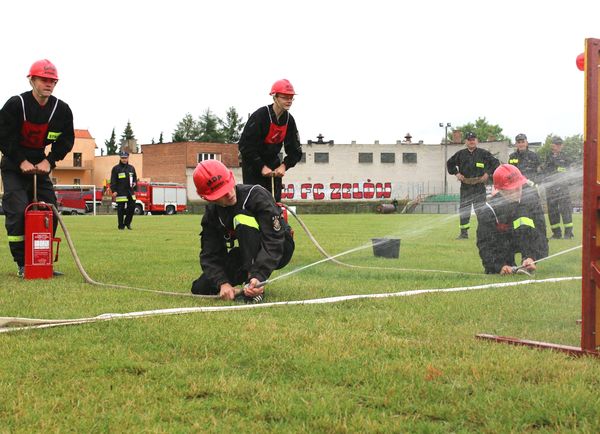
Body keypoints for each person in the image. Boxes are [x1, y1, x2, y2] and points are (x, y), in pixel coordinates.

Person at [0, 59, 74, 277]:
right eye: (44, 79)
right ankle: (23, 263)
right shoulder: (16, 105)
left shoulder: (61, 110)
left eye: (53, 81)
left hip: (40, 164)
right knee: (17, 211)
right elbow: (2, 135)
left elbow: (66, 140)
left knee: (49, 211)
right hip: (14, 165)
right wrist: (19, 160)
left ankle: (40, 261)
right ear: (31, 80)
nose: (49, 84)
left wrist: (49, 162)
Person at [191, 159, 295, 303]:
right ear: (206, 197)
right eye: (220, 193)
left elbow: (274, 240)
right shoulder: (212, 214)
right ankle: (248, 281)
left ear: (232, 177)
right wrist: (223, 283)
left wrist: (258, 276)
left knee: (242, 217)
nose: (228, 193)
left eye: (228, 185)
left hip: (279, 246)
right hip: (246, 253)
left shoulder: (256, 195)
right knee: (201, 288)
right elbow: (210, 255)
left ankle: (254, 287)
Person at [238, 79, 303, 202]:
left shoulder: (289, 120)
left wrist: (284, 166)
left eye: (291, 98)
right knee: (256, 204)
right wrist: (261, 167)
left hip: (274, 167)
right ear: (275, 97)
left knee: (274, 206)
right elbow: (245, 146)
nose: (289, 101)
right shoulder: (259, 116)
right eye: (285, 97)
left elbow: (295, 151)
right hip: (253, 167)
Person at [476, 164, 548, 275]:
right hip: (502, 243)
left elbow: (540, 232)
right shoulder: (489, 210)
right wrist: (498, 266)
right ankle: (506, 263)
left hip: (523, 240)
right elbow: (485, 244)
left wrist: (532, 257)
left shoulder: (531, 202)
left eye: (518, 187)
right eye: (511, 190)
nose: (516, 192)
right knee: (499, 261)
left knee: (524, 219)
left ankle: (526, 259)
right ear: (500, 189)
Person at [446, 132, 500, 239]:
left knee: (480, 209)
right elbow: (449, 163)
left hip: (479, 186)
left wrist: (487, 174)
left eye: (473, 139)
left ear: (477, 141)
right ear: (466, 142)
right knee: (464, 210)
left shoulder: (484, 153)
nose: (471, 141)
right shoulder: (460, 154)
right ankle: (463, 233)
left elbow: (496, 163)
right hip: (465, 186)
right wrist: (457, 173)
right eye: (469, 139)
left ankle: (483, 233)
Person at [541, 136, 574, 239]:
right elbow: (545, 172)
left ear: (562, 145)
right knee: (552, 211)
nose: (558, 146)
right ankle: (556, 233)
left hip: (563, 188)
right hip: (550, 189)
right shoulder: (548, 157)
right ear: (552, 145)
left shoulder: (566, 158)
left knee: (566, 210)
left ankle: (568, 233)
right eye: (556, 144)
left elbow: (569, 172)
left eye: (560, 144)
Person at [110, 151, 137, 230]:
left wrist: (135, 183)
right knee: (120, 209)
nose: (124, 159)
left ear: (128, 158)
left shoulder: (131, 168)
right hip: (120, 191)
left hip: (130, 191)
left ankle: (127, 223)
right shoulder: (116, 168)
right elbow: (113, 180)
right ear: (120, 158)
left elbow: (135, 178)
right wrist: (114, 190)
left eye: (125, 158)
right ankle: (121, 226)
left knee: (132, 207)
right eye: (122, 158)